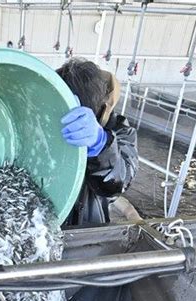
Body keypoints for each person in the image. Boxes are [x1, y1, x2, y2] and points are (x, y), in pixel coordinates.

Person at [57, 58, 138, 226]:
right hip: (44, 225)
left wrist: (101, 144)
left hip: (87, 226)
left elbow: (118, 182)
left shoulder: (121, 130)